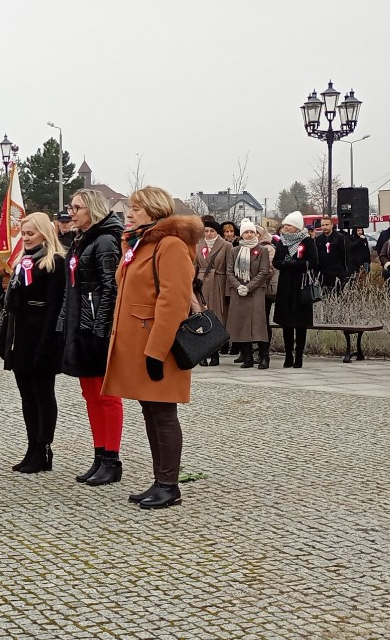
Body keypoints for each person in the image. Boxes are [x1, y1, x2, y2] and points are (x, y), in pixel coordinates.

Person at [102, 186, 201, 510]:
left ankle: (169, 485)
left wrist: (157, 351)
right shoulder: (141, 244)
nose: (129, 213)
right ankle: (160, 481)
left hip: (159, 345)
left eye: (137, 208)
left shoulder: (169, 245)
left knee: (163, 413)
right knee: (151, 411)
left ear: (155, 211)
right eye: (130, 208)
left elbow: (172, 303)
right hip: (141, 343)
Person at [58, 189, 124, 485]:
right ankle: (99, 455)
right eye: (70, 207)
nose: (71, 212)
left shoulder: (107, 240)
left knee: (106, 395)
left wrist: (100, 329)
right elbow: (71, 287)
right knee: (90, 395)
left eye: (77, 207)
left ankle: (112, 458)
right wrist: (64, 324)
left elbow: (110, 288)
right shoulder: (81, 239)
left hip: (96, 328)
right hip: (80, 325)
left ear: (92, 210)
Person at [0, 212, 65, 474]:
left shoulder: (53, 262)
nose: (25, 238)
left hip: (42, 334)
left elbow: (54, 305)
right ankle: (31, 446)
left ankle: (44, 446)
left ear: (44, 234)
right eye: (23, 234)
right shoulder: (23, 261)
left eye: (30, 234)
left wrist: (48, 342)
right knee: (27, 395)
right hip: (21, 333)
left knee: (43, 394)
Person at [272, 211, 320, 368]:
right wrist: (286, 263)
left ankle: (299, 355)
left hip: (301, 285)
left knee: (300, 323)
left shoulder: (307, 241)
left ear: (297, 227)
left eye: (288, 225)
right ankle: (288, 355)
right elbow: (276, 262)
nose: (285, 227)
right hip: (286, 285)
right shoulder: (282, 241)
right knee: (287, 323)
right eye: (285, 225)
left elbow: (313, 262)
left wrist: (296, 263)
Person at [225, 220, 272, 369]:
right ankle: (247, 356)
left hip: (256, 291)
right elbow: (229, 272)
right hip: (239, 292)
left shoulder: (262, 250)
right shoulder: (235, 251)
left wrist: (249, 287)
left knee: (259, 325)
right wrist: (239, 286)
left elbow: (264, 272)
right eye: (246, 232)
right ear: (242, 235)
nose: (249, 234)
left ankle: (264, 356)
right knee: (242, 324)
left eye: (252, 232)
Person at [195, 218, 232, 366]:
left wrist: (228, 289)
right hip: (202, 284)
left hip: (218, 282)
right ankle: (203, 353)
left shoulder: (226, 246)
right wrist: (193, 280)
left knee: (217, 318)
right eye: (206, 231)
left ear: (217, 233)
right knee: (202, 318)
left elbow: (230, 267)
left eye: (212, 231)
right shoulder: (199, 245)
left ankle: (215, 353)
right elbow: (194, 264)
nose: (209, 234)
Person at [315, 216, 348, 294]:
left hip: (337, 273)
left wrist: (344, 272)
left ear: (332, 225)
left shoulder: (340, 237)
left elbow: (344, 255)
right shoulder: (319, 239)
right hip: (324, 274)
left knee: (338, 295)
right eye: (322, 225)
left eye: (327, 225)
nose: (324, 227)